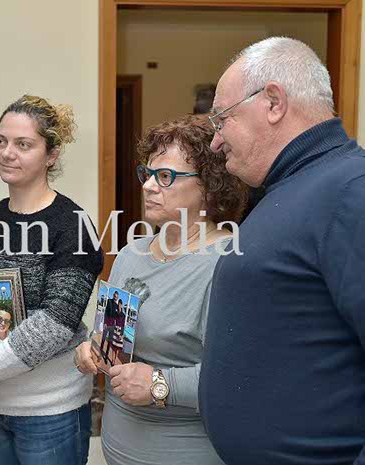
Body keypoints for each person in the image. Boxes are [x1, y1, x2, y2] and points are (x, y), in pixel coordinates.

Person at [199, 37, 365, 465]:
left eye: (221, 119)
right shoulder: (290, 188)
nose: (215, 142)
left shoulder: (351, 193)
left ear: (273, 102)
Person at [0, 94, 103, 465]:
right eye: (1, 141)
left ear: (51, 154)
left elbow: (56, 322)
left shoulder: (72, 226)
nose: (7, 153)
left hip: (49, 412)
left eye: (23, 144)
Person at [75, 114, 247, 465]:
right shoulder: (130, 254)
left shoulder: (229, 263)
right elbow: (111, 337)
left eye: (165, 176)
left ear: (209, 186)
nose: (149, 186)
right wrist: (91, 349)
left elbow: (242, 377)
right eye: (147, 174)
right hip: (120, 446)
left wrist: (159, 383)